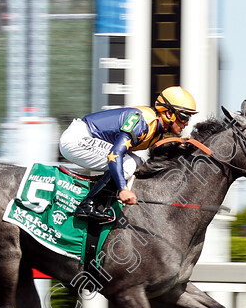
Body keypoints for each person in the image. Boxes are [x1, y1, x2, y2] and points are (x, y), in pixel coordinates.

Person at [58, 85, 199, 222]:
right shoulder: (143, 123)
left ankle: (102, 198)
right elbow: (115, 154)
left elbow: (155, 157)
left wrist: (178, 145)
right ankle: (88, 205)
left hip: (87, 138)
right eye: (184, 117)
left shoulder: (158, 128)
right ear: (169, 114)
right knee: (129, 164)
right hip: (77, 139)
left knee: (138, 163)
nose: (186, 123)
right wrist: (122, 189)